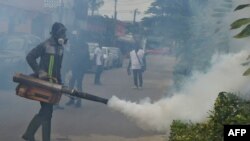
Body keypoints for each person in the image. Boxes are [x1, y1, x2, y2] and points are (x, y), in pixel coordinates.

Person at [22, 22, 67, 141]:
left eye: (64, 33)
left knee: (48, 112)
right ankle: (29, 133)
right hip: (43, 84)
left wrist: (60, 84)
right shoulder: (45, 44)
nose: (64, 35)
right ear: (56, 33)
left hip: (53, 85)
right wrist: (39, 72)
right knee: (47, 111)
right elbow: (30, 57)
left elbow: (58, 68)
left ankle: (39, 137)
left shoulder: (61, 48)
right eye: (62, 32)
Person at [65, 30, 90, 107]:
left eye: (78, 35)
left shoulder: (84, 45)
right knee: (71, 83)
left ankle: (79, 101)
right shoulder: (75, 44)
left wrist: (74, 52)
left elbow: (82, 55)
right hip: (74, 67)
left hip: (80, 68)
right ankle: (71, 99)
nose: (77, 36)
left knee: (78, 84)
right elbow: (71, 54)